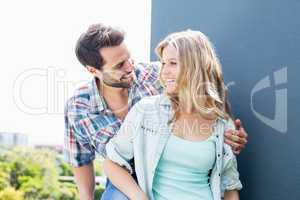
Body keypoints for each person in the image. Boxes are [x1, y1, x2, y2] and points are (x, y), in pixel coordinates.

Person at [64, 23, 248, 200]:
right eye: (119, 65)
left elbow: (201, 84)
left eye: (128, 58)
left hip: (180, 165)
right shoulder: (79, 106)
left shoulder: (156, 73)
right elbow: (81, 160)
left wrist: (229, 132)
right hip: (125, 173)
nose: (129, 67)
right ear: (93, 70)